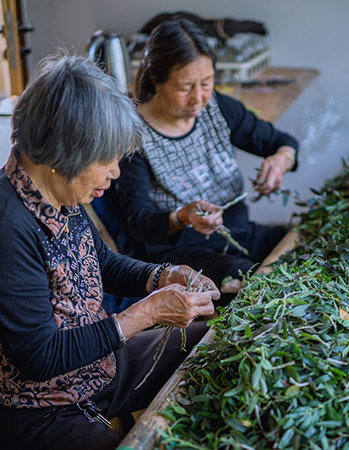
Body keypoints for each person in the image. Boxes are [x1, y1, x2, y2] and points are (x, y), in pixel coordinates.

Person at [0, 54, 219, 450]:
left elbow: (102, 263)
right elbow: (39, 357)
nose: (115, 172)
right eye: (106, 159)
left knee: (216, 346)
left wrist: (162, 276)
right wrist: (147, 313)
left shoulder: (58, 192)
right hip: (38, 415)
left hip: (95, 371)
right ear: (65, 152)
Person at [115, 18, 298, 299]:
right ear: (156, 81)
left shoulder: (217, 108)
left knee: (299, 244)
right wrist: (183, 216)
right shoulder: (134, 136)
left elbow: (283, 143)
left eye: (207, 82)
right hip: (181, 254)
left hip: (238, 234)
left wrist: (280, 161)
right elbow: (140, 223)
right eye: (185, 87)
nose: (199, 98)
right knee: (246, 280)